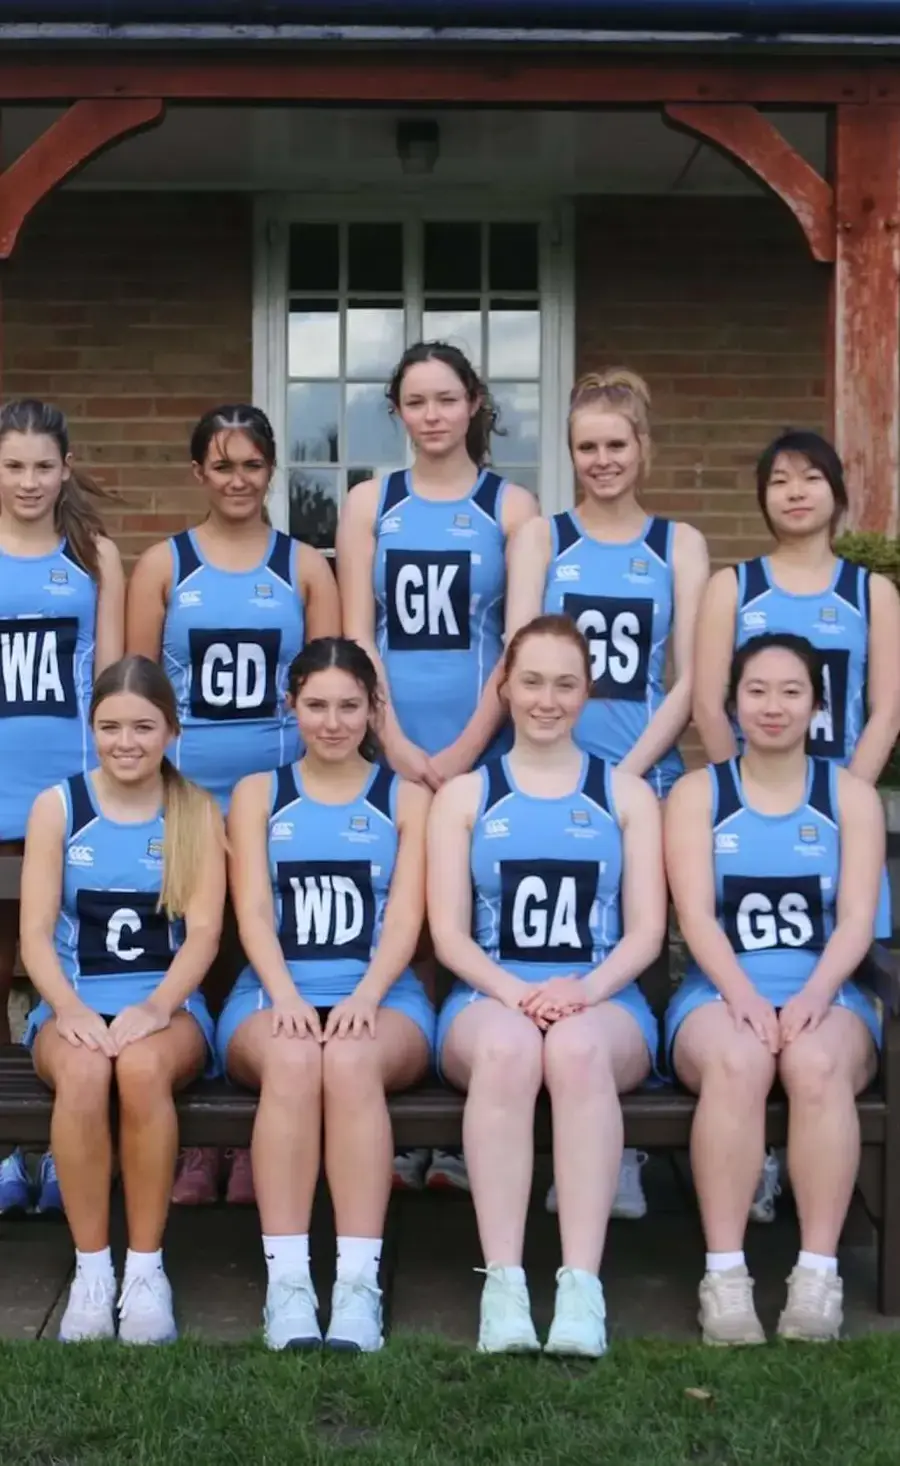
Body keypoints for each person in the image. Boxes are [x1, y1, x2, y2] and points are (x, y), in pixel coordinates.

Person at [430, 614, 666, 1356]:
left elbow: (646, 933)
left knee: (574, 1052)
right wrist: (516, 994)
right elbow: (450, 937)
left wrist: (585, 992)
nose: (546, 698)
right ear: (503, 687)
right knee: (508, 1052)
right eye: (531, 681)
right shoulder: (465, 796)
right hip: (488, 995)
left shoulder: (626, 794)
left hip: (602, 998)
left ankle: (579, 1287)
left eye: (566, 683)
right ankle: (502, 1283)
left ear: (587, 691)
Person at [505, 368, 709, 1221]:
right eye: (586, 447)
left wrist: (628, 773)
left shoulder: (678, 544)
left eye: (615, 445)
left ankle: (618, 1149)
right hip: (541, 773)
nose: (601, 461)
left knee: (634, 953)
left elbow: (690, 673)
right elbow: (518, 651)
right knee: (534, 933)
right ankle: (527, 1142)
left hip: (639, 776)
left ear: (643, 448)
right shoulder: (544, 539)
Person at [127, 404, 341, 1206]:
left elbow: (331, 679)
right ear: (198, 475)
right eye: (223, 466)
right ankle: (196, 1150)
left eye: (253, 465)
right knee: (192, 955)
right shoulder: (164, 565)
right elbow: (134, 690)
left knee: (264, 949)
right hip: (183, 794)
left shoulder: (305, 567)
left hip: (282, 794)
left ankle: (254, 1137)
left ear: (272, 471)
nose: (239, 480)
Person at [336, 340, 537, 1191]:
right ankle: (400, 1119)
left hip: (478, 744)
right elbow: (358, 634)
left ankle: (454, 1131)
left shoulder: (511, 505)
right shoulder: (369, 502)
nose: (432, 415)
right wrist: (393, 742)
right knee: (399, 915)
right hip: (387, 743)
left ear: (474, 403)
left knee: (462, 921)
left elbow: (520, 645)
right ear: (397, 412)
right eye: (415, 401)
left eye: (447, 399)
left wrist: (459, 751)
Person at [693, 429, 900, 1221]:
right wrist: (744, 795)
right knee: (747, 996)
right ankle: (757, 1165)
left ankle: (807, 1162)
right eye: (779, 480)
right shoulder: (734, 587)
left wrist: (841, 796)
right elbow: (712, 701)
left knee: (828, 1000)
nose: (796, 492)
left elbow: (883, 707)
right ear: (763, 497)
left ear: (838, 492)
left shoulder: (869, 593)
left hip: (838, 819)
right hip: (754, 803)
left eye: (812, 478)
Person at [216, 637, 433, 1353]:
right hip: (271, 992)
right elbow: (251, 911)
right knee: (294, 1060)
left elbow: (405, 916)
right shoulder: (258, 794)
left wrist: (366, 995)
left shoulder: (404, 798)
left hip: (381, 996)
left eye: (349, 706)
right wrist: (285, 997)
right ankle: (288, 1285)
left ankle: (356, 1285)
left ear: (375, 710)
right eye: (316, 705)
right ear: (292, 706)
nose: (333, 722)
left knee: (346, 1062)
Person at [666, 633, 883, 1345]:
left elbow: (855, 918)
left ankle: (817, 1273)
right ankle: (725, 1275)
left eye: (792, 692)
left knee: (816, 1065)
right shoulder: (699, 794)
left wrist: (817, 996)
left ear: (817, 705)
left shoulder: (849, 796)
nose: (772, 706)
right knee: (740, 1061)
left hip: (829, 992)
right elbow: (696, 915)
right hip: (720, 994)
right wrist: (746, 998)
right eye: (756, 690)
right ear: (731, 702)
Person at [19, 655, 224, 1343]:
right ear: (92, 729)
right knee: (83, 1070)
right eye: (110, 727)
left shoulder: (194, 811)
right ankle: (91, 1268)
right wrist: (72, 1011)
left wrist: (158, 1008)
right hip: (76, 1002)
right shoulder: (59, 806)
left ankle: (145, 1268)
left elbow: (202, 936)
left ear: (172, 732)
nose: (126, 741)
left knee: (137, 1069)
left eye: (143, 726)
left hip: (168, 1008)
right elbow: (37, 937)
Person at [0, 399, 124, 1217]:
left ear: (66, 468)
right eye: (13, 465)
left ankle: (72, 1151)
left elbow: (114, 686)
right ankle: (10, 1155)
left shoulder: (95, 558)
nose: (29, 481)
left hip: (68, 802)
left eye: (44, 465)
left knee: (67, 980)